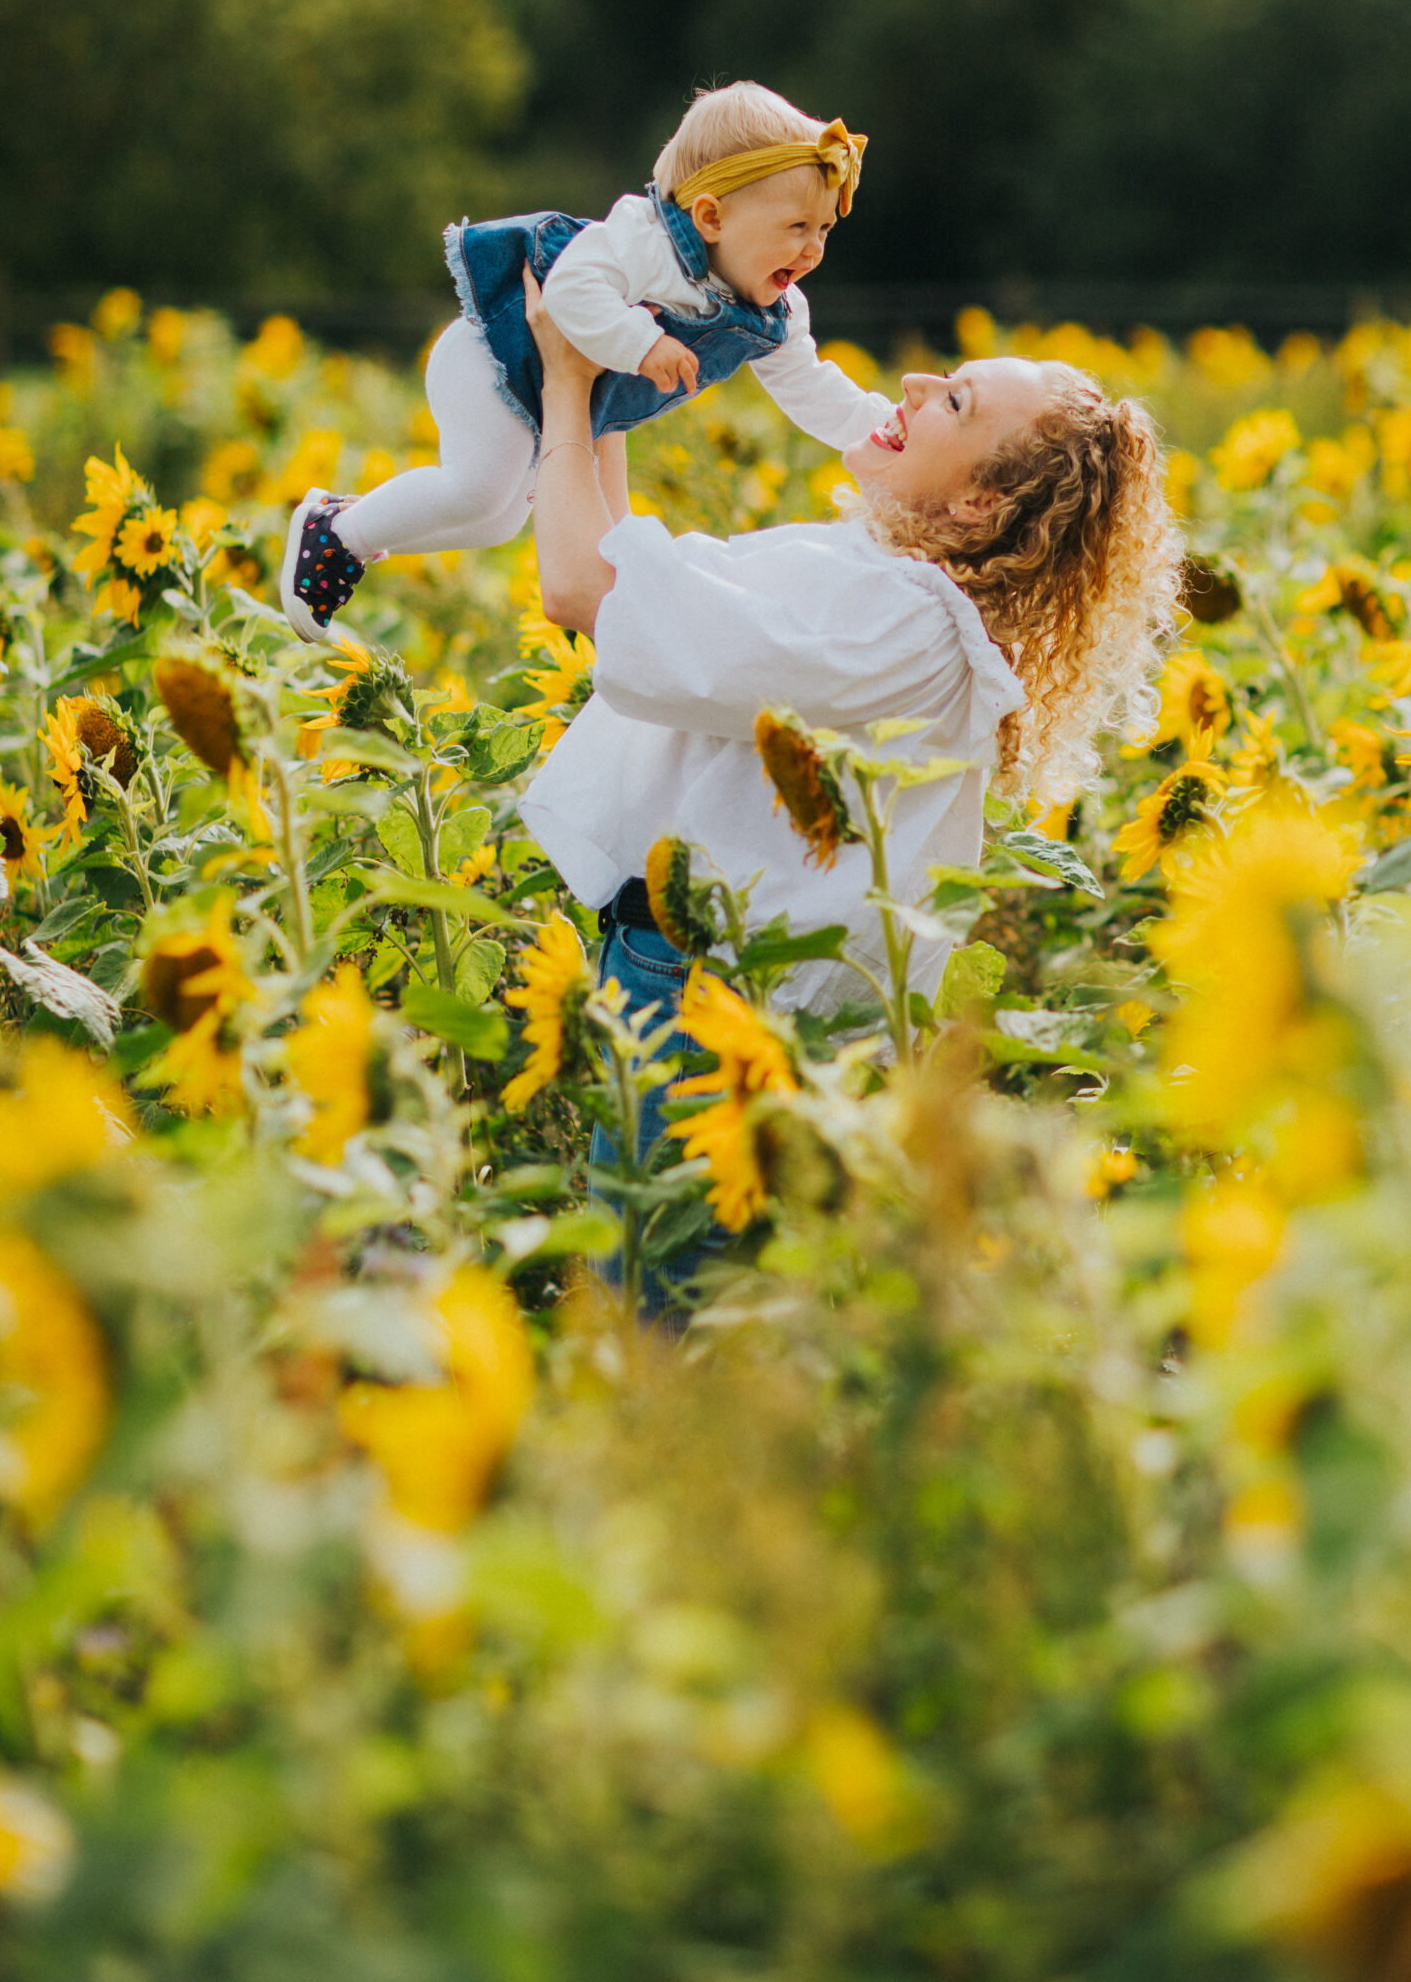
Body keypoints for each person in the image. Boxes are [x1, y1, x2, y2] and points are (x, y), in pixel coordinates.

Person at [516, 265, 1183, 1302]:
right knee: (668, 1296)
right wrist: (609, 386)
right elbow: (630, 575)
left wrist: (561, 386)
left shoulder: (895, 622)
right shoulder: (882, 582)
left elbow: (580, 589)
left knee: (658, 1316)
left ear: (977, 501)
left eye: (954, 400)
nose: (914, 384)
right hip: (688, 971)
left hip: (719, 1001)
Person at [279, 82, 888, 640]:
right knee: (475, 490)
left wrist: (884, 427)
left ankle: (350, 520)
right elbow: (570, 287)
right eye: (798, 226)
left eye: (826, 230)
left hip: (549, 404)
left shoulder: (775, 313)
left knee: (496, 522)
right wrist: (641, 343)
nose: (813, 250)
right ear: (710, 216)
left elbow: (813, 388)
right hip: (494, 361)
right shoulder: (646, 240)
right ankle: (334, 536)